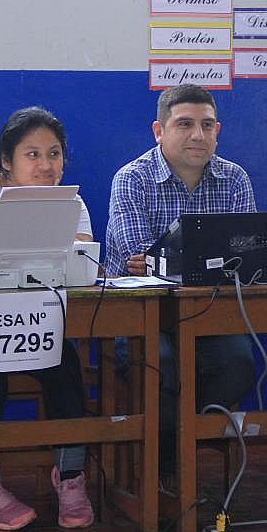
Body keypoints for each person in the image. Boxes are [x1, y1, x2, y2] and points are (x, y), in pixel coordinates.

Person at [0, 106, 95, 531]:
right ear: (6, 161)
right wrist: (48, 251)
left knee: (65, 363)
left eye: (54, 154)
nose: (46, 166)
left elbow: (81, 257)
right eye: (32, 154)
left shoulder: (72, 200)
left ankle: (70, 476)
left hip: (37, 322)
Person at [106, 84, 256, 484]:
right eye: (185, 124)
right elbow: (138, 258)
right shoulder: (132, 179)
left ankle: (174, 443)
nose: (198, 135)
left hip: (210, 318)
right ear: (159, 130)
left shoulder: (235, 179)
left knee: (242, 364)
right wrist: (207, 262)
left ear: (218, 130)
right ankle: (169, 468)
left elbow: (249, 253)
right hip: (142, 318)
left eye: (207, 125)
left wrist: (173, 261)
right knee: (161, 365)